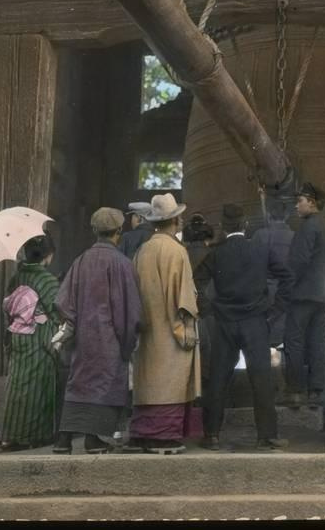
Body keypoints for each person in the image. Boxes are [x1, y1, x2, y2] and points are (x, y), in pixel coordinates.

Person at [194, 204, 294, 451]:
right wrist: (274, 311)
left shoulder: (216, 253)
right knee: (261, 378)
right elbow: (287, 278)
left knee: (218, 378)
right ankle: (266, 436)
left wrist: (209, 309)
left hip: (224, 323)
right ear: (245, 225)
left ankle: (212, 435)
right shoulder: (260, 250)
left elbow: (196, 281)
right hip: (256, 322)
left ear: (223, 227)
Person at [53, 208, 142, 455]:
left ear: (94, 231)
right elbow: (131, 311)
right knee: (104, 387)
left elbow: (63, 302)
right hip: (110, 338)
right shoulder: (122, 264)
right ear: (119, 231)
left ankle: (64, 440)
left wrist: (74, 326)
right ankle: (92, 440)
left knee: (79, 385)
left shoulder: (80, 261)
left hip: (84, 337)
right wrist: (128, 342)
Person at [128, 194, 201, 455]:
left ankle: (141, 434)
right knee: (170, 383)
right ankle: (162, 436)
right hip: (171, 330)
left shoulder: (143, 250)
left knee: (149, 382)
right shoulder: (176, 251)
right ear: (176, 221)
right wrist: (186, 327)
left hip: (147, 331)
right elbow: (184, 298)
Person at [0, 234, 60, 451]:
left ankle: (9, 435)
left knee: (17, 383)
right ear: (48, 256)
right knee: (37, 385)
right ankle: (32, 436)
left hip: (17, 334)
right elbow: (56, 311)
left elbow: (9, 307)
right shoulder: (48, 281)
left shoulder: (17, 278)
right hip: (39, 335)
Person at [282, 182, 325, 408]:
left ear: (311, 203)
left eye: (300, 201)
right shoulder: (324, 228)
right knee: (316, 342)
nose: (296, 206)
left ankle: (295, 391)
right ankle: (316, 392)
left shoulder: (307, 227)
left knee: (293, 340)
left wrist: (286, 288)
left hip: (303, 295)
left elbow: (298, 261)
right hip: (323, 296)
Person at [251, 199, 294, 349]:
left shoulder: (259, 235)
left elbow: (252, 267)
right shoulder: (296, 237)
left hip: (265, 298)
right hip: (289, 298)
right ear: (287, 216)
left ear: (268, 215)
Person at [183, 213, 216, 393]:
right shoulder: (212, 254)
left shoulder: (181, 253)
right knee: (210, 354)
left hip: (186, 309)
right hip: (209, 309)